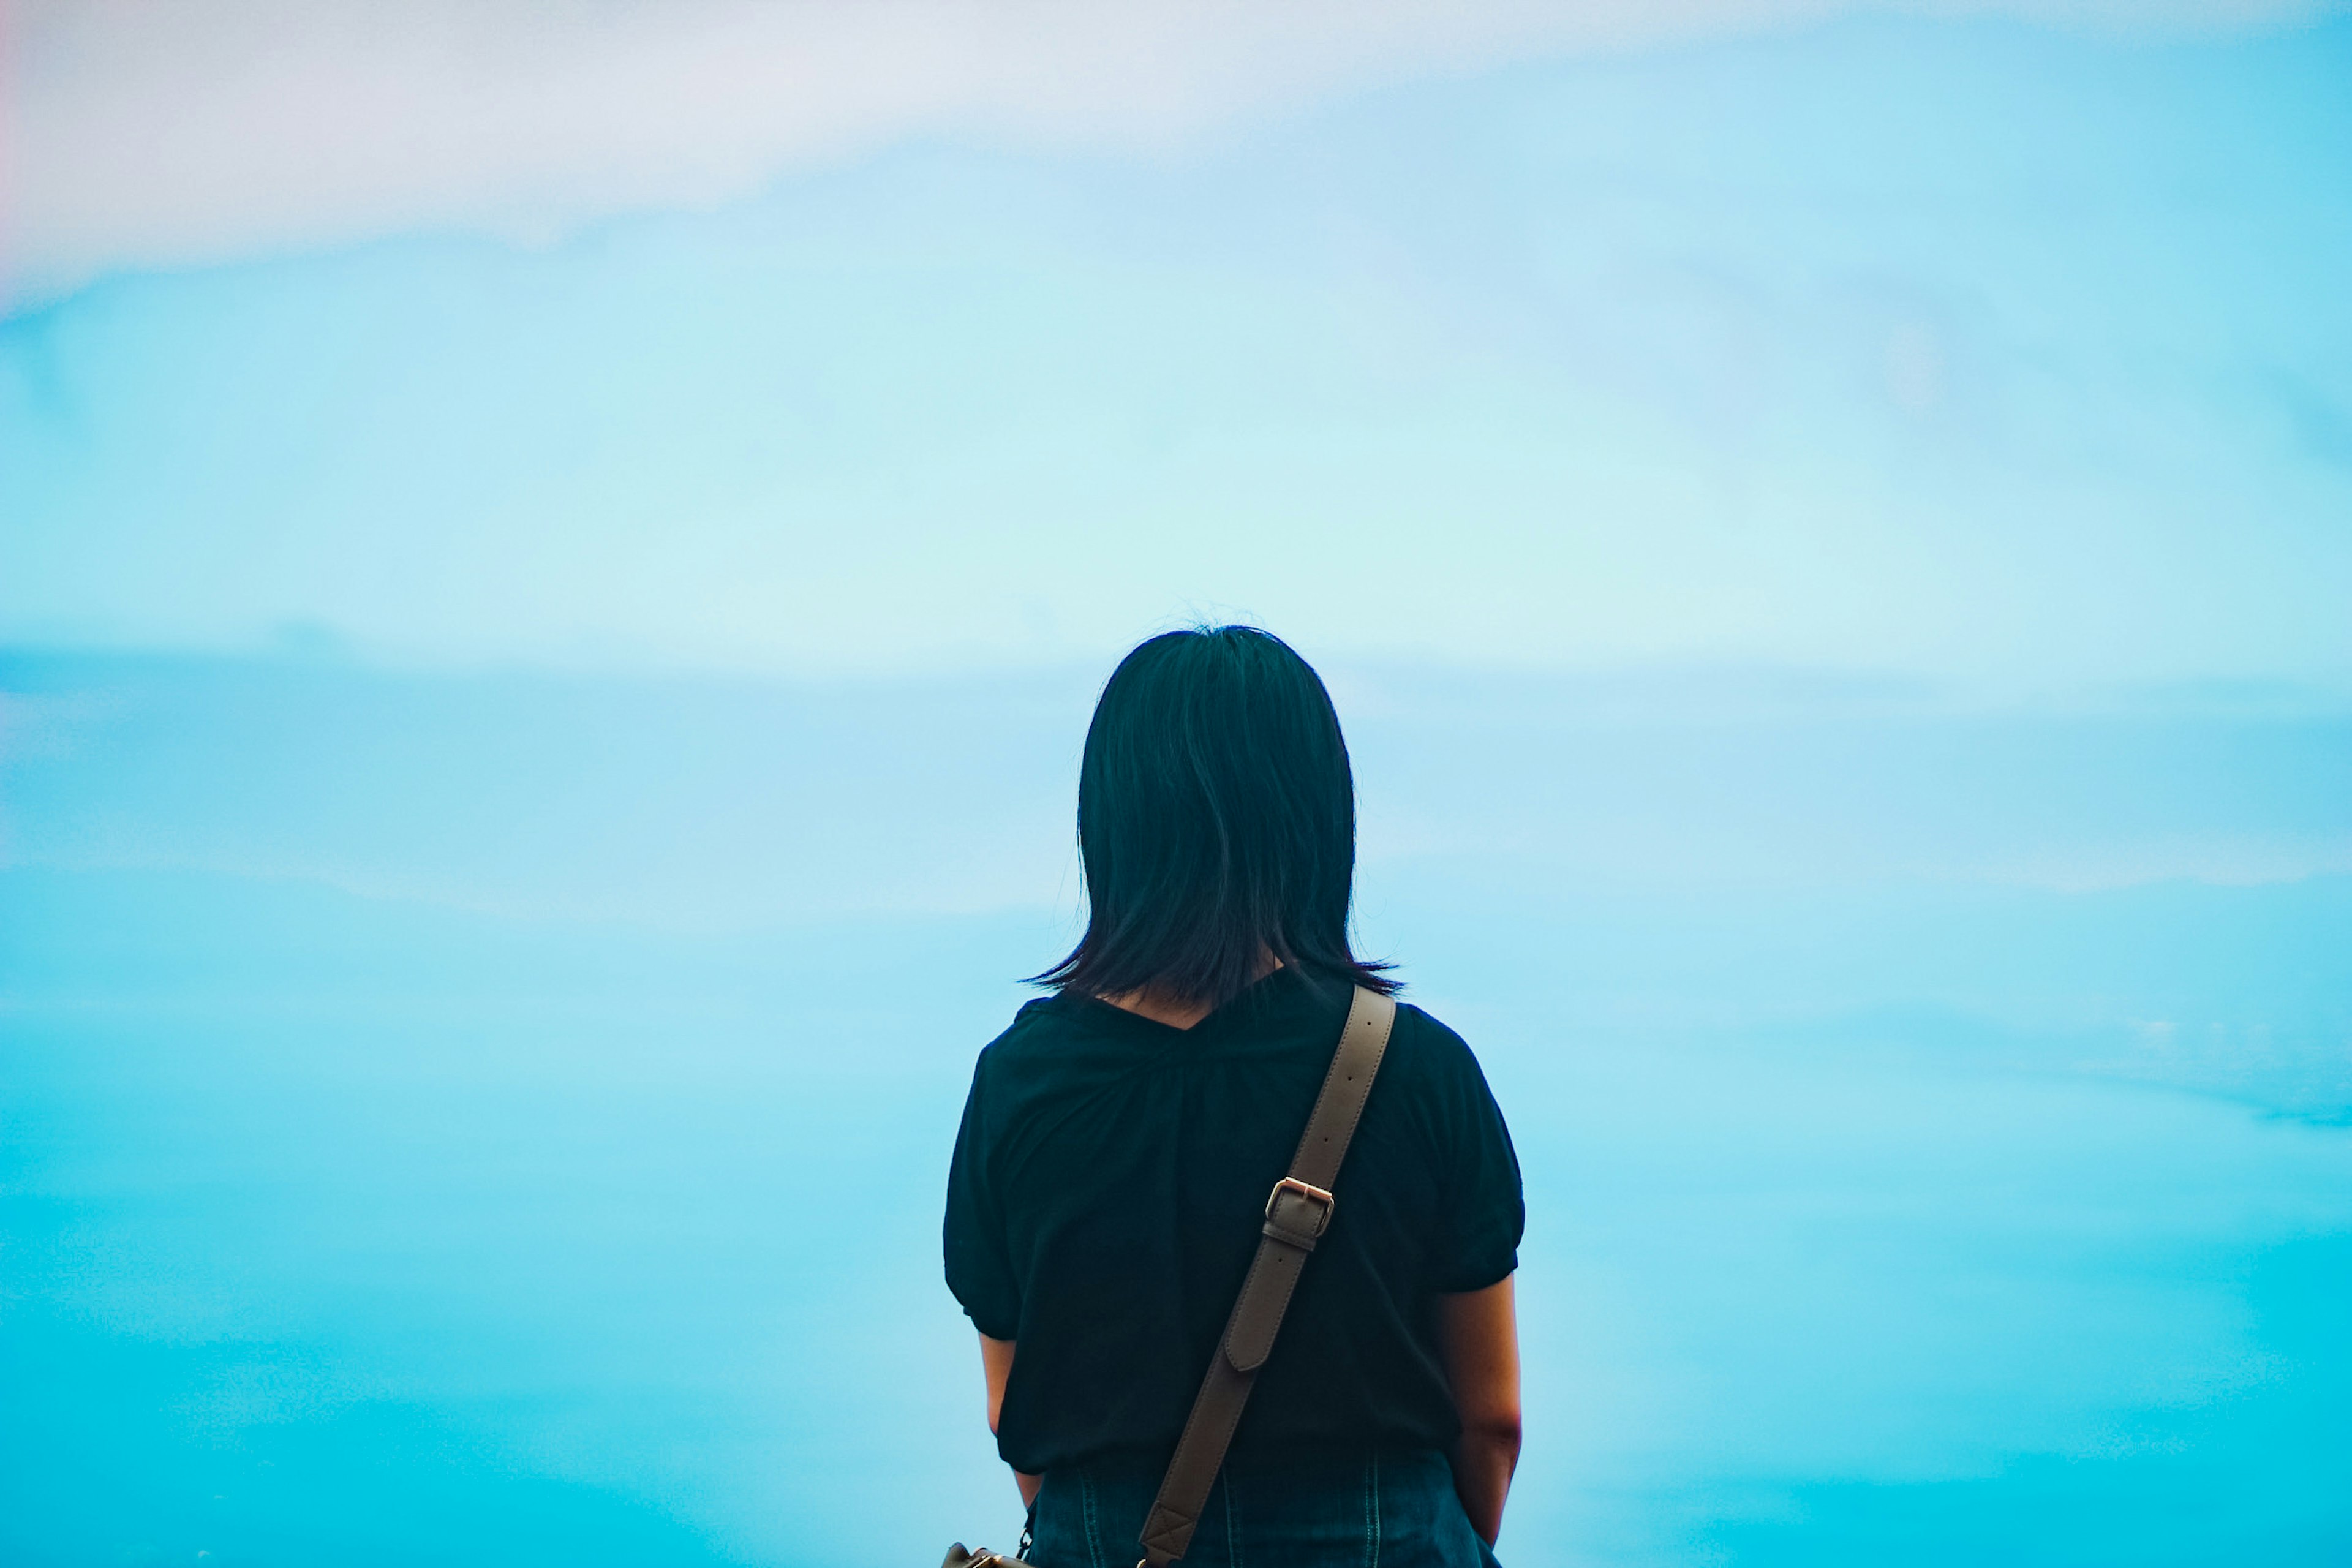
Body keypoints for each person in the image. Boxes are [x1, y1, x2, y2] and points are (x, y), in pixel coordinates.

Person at [944, 626, 1524, 1567]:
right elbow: (1490, 1421)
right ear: (1316, 822)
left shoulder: (1021, 1084)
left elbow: (1016, 1408)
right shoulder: (1418, 1070)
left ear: (1115, 824)